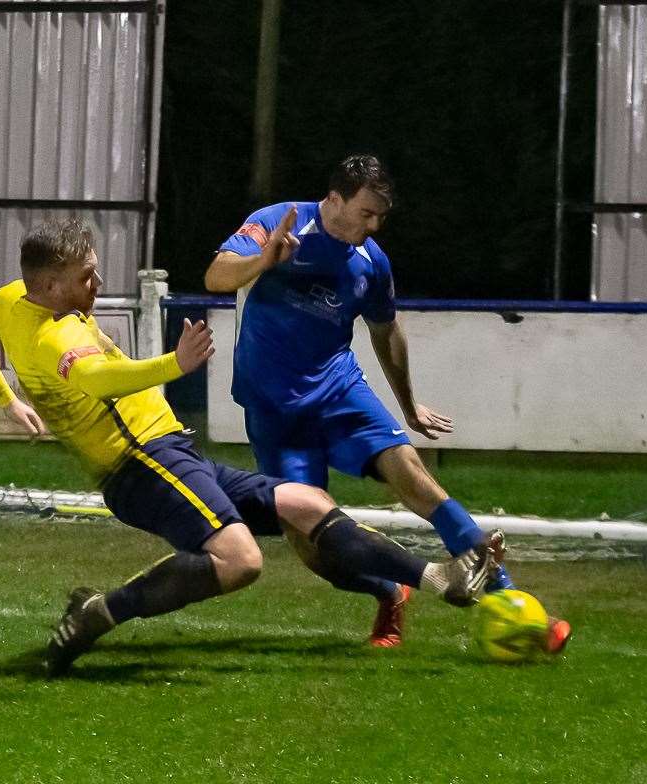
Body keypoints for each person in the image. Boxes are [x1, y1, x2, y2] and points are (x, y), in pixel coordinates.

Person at [0, 218, 499, 677]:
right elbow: (96, 380)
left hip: (170, 452)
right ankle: (101, 612)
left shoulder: (9, 301)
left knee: (309, 505)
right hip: (137, 464)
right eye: (85, 278)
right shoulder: (53, 336)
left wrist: (5, 399)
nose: (96, 285)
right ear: (47, 287)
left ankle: (437, 578)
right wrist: (175, 365)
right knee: (241, 561)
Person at [205, 154, 570, 652]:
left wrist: (409, 404)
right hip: (275, 412)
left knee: (412, 475)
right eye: (366, 214)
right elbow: (217, 276)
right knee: (313, 548)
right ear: (335, 199)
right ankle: (388, 589)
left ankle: (510, 600)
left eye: (381, 217)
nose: (373, 226)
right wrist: (264, 260)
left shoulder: (371, 262)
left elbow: (386, 331)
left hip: (339, 392)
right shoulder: (279, 222)